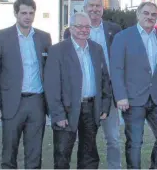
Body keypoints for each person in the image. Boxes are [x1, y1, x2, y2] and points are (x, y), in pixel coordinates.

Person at [110, 1, 157, 169]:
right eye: (146, 13)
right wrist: (120, 96)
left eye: (153, 14)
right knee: (135, 142)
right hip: (132, 99)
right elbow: (116, 69)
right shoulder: (123, 37)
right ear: (138, 15)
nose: (150, 17)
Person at [44, 12, 112, 169]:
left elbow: (104, 79)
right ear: (71, 28)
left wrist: (105, 105)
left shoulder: (97, 49)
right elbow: (52, 86)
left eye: (87, 26)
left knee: (89, 155)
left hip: (91, 107)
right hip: (67, 110)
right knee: (62, 154)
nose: (83, 30)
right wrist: (58, 114)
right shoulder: (57, 50)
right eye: (79, 26)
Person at [0, 0, 52, 169]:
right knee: (9, 152)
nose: (27, 16)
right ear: (16, 14)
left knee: (34, 153)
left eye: (31, 13)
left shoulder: (44, 38)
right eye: (23, 13)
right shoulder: (1, 37)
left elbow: (48, 71)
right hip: (12, 102)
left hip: (37, 102)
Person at [79, 0, 123, 169]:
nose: (94, 9)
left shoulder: (115, 29)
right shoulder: (74, 30)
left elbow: (121, 60)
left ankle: (114, 167)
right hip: (85, 93)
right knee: (86, 138)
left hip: (108, 93)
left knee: (113, 138)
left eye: (98, 6)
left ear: (103, 9)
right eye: (91, 6)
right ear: (84, 8)